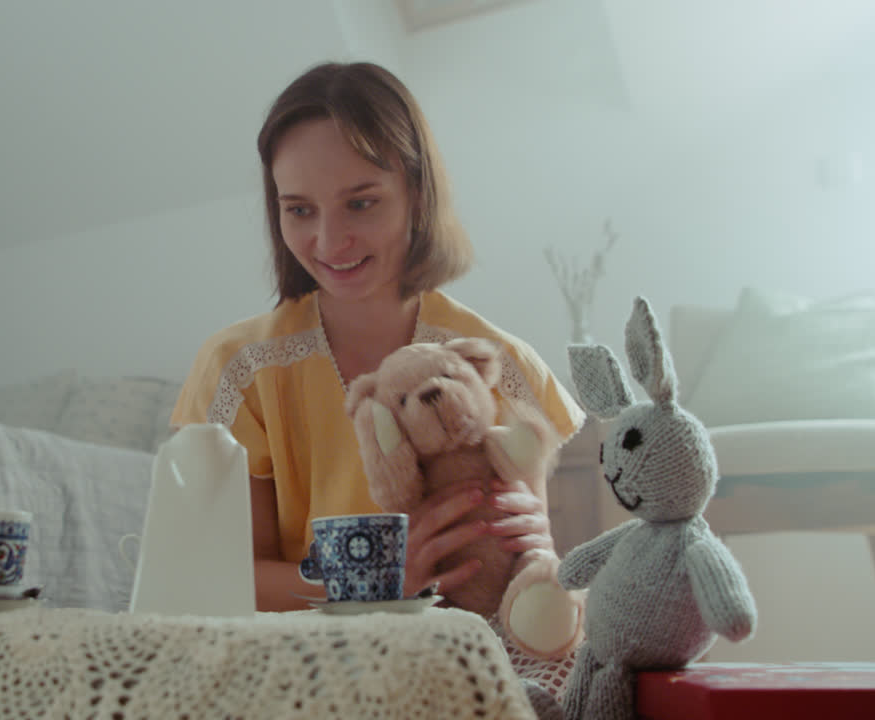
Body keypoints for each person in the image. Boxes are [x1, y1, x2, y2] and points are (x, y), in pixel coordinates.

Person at [170, 61, 584, 614]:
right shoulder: (239, 372)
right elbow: (222, 579)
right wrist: (372, 580)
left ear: (416, 192)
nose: (329, 240)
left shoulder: (499, 364)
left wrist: (537, 549)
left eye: (360, 203)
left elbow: (527, 580)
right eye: (299, 210)